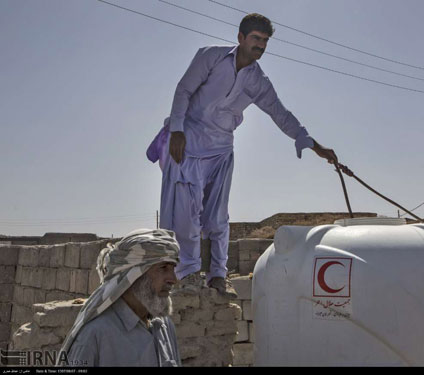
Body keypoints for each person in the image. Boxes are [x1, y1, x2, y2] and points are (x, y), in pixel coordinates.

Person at [147, 13, 338, 298]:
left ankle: (218, 277)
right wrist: (176, 131)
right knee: (186, 216)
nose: (260, 46)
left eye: (265, 41)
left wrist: (313, 144)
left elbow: (280, 113)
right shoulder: (211, 57)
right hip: (188, 144)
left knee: (218, 217)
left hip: (221, 150)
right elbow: (184, 90)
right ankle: (186, 275)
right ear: (241, 38)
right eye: (256, 39)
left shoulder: (258, 81)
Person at [59, 229, 181, 367]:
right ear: (134, 275)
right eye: (163, 267)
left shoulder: (164, 326)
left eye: (173, 268)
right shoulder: (95, 335)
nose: (173, 279)